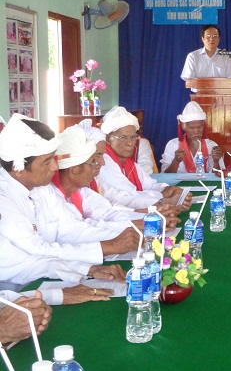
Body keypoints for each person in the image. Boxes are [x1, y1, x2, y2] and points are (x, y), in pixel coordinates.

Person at [0, 114, 139, 266]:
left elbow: (72, 229)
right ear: (18, 169)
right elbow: (35, 251)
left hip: (51, 273)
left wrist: (129, 238)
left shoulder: (41, 189)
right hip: (23, 286)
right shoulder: (4, 198)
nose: (55, 167)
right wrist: (108, 246)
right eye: (47, 162)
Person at [97, 106, 191, 210]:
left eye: (133, 137)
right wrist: (162, 197)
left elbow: (150, 185)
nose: (130, 143)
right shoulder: (104, 162)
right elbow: (130, 197)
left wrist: (169, 189)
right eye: (123, 137)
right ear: (108, 139)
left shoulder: (130, 163)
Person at [161, 101, 225, 174]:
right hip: (179, 185)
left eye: (199, 127)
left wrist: (216, 161)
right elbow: (165, 175)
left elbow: (219, 177)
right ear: (184, 127)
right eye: (192, 128)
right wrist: (176, 161)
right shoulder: (173, 145)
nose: (196, 131)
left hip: (205, 185)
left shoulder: (211, 145)